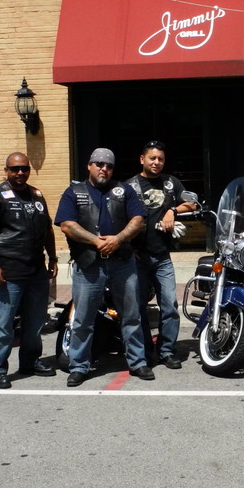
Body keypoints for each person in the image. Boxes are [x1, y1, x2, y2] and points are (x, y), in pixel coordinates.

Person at [55, 147, 151, 386]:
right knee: (83, 319)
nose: (104, 169)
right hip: (89, 265)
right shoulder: (74, 192)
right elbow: (66, 224)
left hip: (122, 263)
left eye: (108, 166)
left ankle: (137, 362)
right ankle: (79, 366)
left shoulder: (124, 190)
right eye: (99, 164)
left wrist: (118, 239)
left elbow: (138, 219)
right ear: (89, 165)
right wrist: (95, 241)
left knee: (131, 315)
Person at [0, 152, 58, 390]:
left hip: (36, 271)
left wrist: (53, 258)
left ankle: (30, 363)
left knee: (35, 323)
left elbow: (47, 229)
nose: (20, 173)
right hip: (8, 272)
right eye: (15, 169)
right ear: (6, 171)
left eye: (24, 168)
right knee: (4, 324)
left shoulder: (37, 195)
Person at [128, 140, 196, 370]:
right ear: (142, 159)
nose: (156, 162)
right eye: (152, 158)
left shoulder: (170, 183)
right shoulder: (129, 186)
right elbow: (118, 217)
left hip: (162, 258)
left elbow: (192, 204)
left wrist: (172, 210)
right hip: (137, 258)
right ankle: (146, 351)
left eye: (161, 159)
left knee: (169, 306)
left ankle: (166, 351)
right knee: (138, 308)